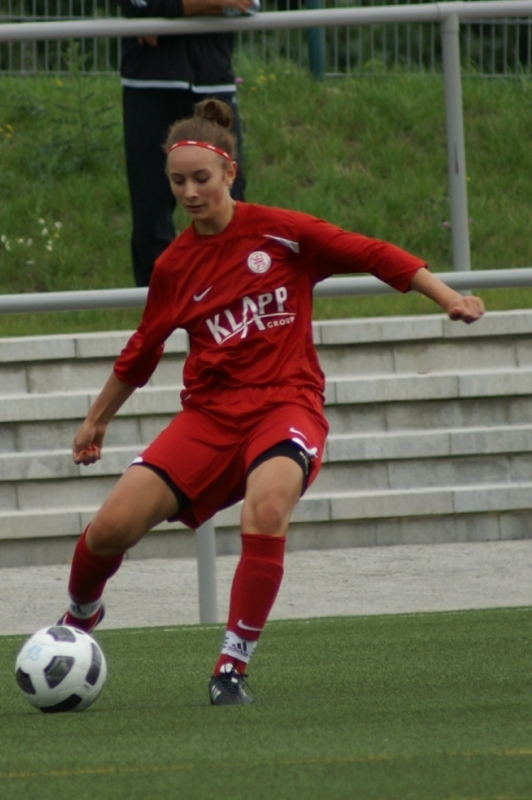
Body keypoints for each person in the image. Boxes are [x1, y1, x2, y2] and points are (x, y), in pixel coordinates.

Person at [58, 99, 485, 705]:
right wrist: (95, 420)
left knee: (265, 510)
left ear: (230, 173)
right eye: (178, 182)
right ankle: (76, 622)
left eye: (201, 179)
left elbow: (373, 253)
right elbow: (142, 350)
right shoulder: (175, 265)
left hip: (287, 404)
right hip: (209, 416)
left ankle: (231, 666)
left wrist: (446, 296)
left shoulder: (281, 231)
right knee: (109, 531)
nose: (190, 192)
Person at [118, 0, 256, 286]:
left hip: (212, 79)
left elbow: (246, 3)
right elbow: (138, 5)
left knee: (229, 196)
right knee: (151, 204)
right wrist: (211, 3)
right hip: (150, 82)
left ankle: (231, 292)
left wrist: (162, 13)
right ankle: (159, 302)